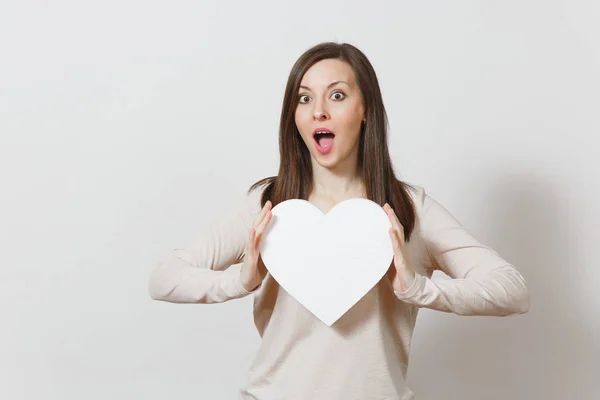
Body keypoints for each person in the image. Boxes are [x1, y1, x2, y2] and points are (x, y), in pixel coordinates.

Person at [148, 42, 530, 400]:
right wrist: (241, 279)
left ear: (365, 110)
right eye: (304, 97)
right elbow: (164, 277)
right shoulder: (268, 205)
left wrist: (417, 289)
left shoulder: (408, 209)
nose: (319, 111)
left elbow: (512, 290)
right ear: (294, 115)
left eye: (337, 95)